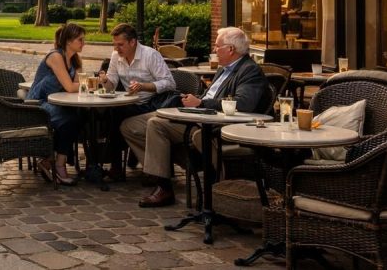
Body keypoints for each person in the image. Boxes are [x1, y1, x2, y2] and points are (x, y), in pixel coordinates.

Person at [124, 26, 273, 207]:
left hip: (217, 125)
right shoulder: (224, 69)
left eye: (217, 47)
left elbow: (242, 105)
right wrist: (195, 101)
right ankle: (163, 175)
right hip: (200, 117)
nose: (214, 51)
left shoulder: (249, 71)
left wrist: (201, 104)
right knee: (135, 124)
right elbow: (210, 97)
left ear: (231, 49)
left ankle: (165, 187)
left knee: (157, 125)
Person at [98, 23, 177, 180]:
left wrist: (144, 86)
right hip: (131, 103)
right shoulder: (116, 56)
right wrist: (105, 80)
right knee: (108, 113)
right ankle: (114, 165)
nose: (116, 49)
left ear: (133, 42)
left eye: (120, 45)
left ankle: (116, 167)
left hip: (152, 104)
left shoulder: (150, 55)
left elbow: (170, 83)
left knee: (115, 117)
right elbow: (111, 83)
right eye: (114, 45)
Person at [26, 23, 86, 185]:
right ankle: (59, 165)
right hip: (37, 105)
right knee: (70, 119)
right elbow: (70, 87)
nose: (83, 43)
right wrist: (92, 84)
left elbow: (76, 86)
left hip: (57, 104)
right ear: (68, 41)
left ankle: (48, 161)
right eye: (80, 39)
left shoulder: (74, 61)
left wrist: (83, 80)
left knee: (82, 115)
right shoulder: (55, 56)